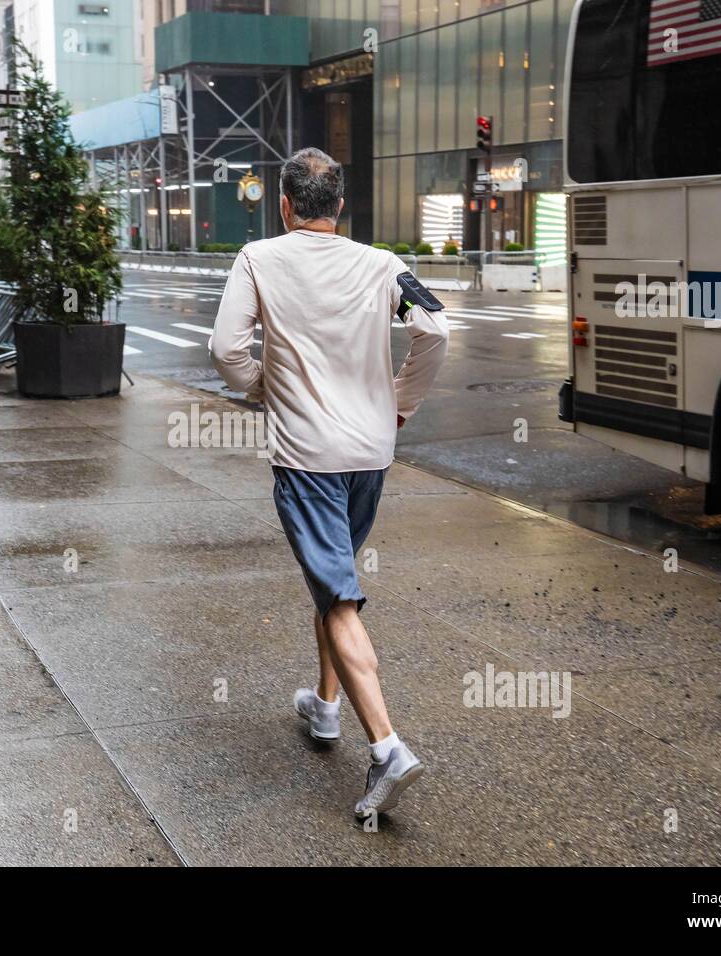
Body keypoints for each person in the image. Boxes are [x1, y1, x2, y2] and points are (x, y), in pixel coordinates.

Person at [210, 147, 449, 819]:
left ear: (285, 206)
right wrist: (399, 403)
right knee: (333, 576)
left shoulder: (259, 258)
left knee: (338, 596)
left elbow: (226, 350)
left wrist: (268, 386)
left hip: (307, 454)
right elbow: (435, 331)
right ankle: (323, 708)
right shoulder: (383, 264)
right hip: (371, 451)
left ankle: (387, 748)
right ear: (339, 207)